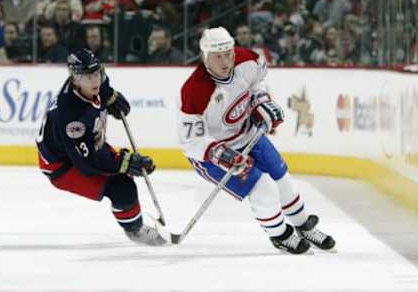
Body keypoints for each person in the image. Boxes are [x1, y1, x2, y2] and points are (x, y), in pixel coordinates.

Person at [177, 27, 335, 254]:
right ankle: (280, 234)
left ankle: (302, 224)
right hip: (213, 154)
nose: (225, 61)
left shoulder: (247, 59)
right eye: (217, 56)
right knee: (264, 188)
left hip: (247, 133)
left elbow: (256, 83)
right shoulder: (195, 91)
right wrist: (221, 154)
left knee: (282, 179)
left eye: (228, 54)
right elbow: (191, 142)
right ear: (204, 57)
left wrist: (262, 103)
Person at [36, 48, 167, 246]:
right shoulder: (72, 117)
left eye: (97, 73)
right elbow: (88, 163)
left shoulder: (91, 82)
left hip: (86, 146)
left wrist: (111, 96)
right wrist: (125, 162)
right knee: (122, 188)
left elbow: (103, 85)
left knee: (125, 172)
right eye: (89, 77)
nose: (95, 80)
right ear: (75, 78)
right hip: (63, 165)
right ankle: (135, 230)